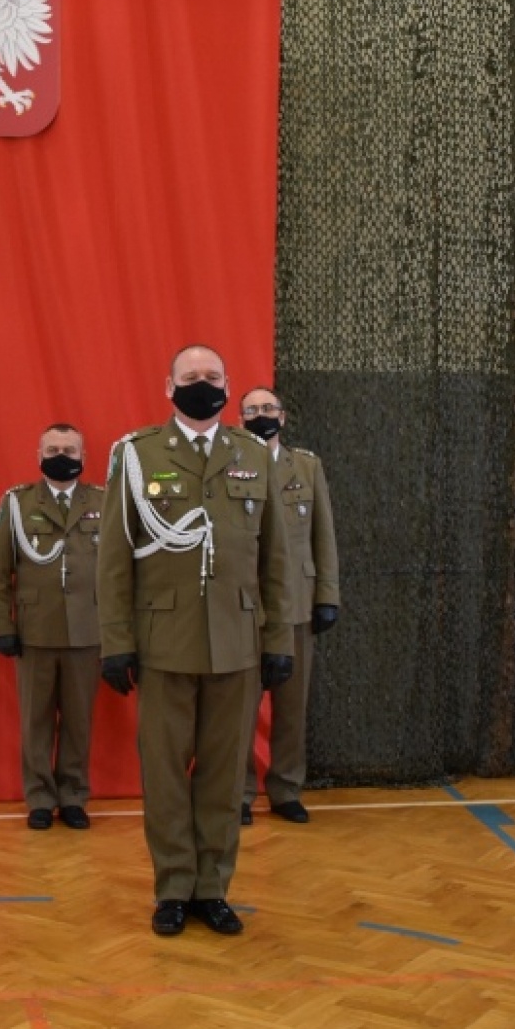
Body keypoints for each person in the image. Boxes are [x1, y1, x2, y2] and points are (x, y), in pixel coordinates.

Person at [97, 345, 294, 937]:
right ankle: (173, 887)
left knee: (223, 773)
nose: (202, 384)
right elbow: (113, 558)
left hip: (237, 641)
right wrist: (116, 641)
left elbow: (276, 557)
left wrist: (279, 636)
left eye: (212, 377)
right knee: (163, 773)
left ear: (228, 385)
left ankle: (213, 888)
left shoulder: (254, 454)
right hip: (164, 641)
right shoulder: (137, 455)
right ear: (169, 386)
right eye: (191, 377)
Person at [0, 423, 105, 830]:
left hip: (88, 630)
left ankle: (73, 796)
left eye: (69, 450)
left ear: (83, 457)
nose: (61, 456)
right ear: (38, 456)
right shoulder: (17, 503)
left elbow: (119, 572)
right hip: (34, 630)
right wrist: (4, 625)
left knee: (79, 719)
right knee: (35, 719)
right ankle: (39, 796)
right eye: (53, 449)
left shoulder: (103, 504)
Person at [237, 387, 340, 825]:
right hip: (242, 607)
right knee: (238, 707)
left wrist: (327, 595)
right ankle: (237, 793)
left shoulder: (306, 466)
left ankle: (285, 789)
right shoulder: (230, 462)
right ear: (239, 417)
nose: (261, 414)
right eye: (252, 409)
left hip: (296, 604)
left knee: (291, 706)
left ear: (284, 414)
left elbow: (323, 534)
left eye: (268, 407)